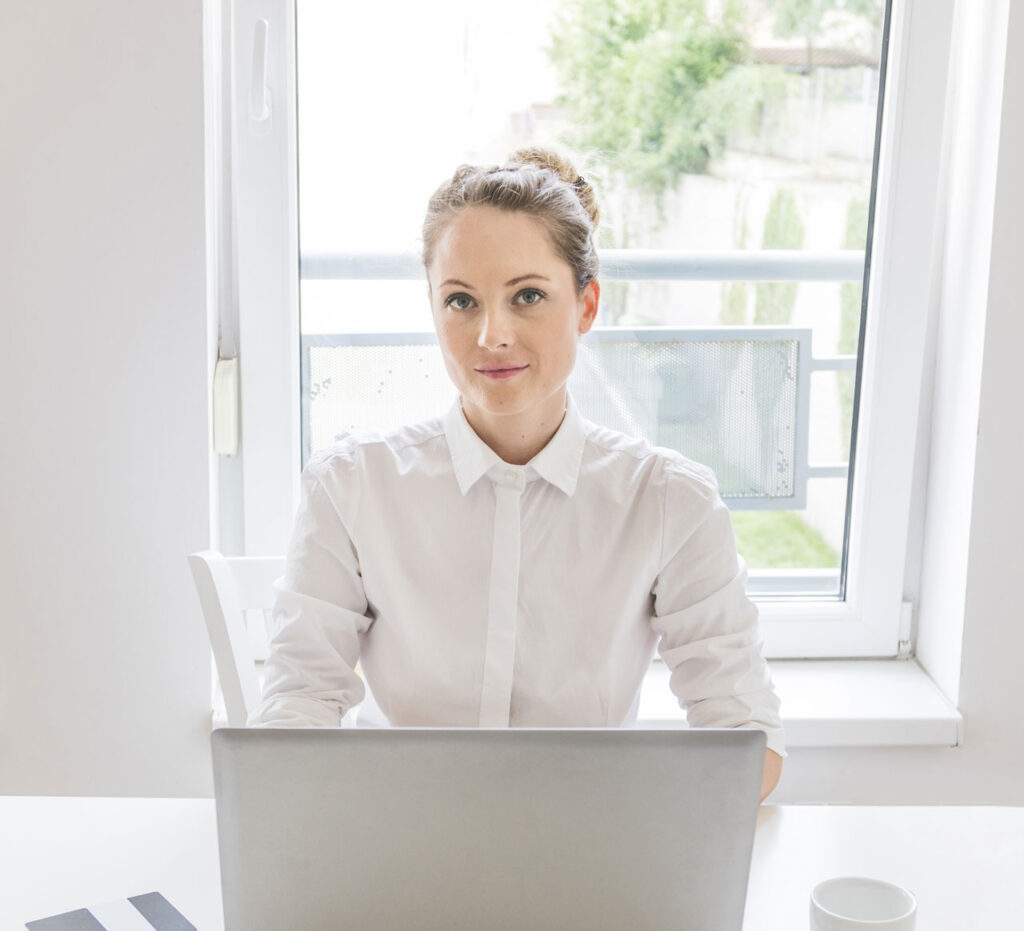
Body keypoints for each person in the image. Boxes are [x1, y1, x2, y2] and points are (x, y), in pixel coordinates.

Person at [249, 147, 784, 800]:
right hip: (396, 843)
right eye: (461, 301)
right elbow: (298, 701)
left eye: (527, 295)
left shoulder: (670, 501)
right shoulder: (350, 486)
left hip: (588, 849)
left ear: (586, 306)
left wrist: (653, 821)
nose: (491, 335)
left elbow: (743, 734)